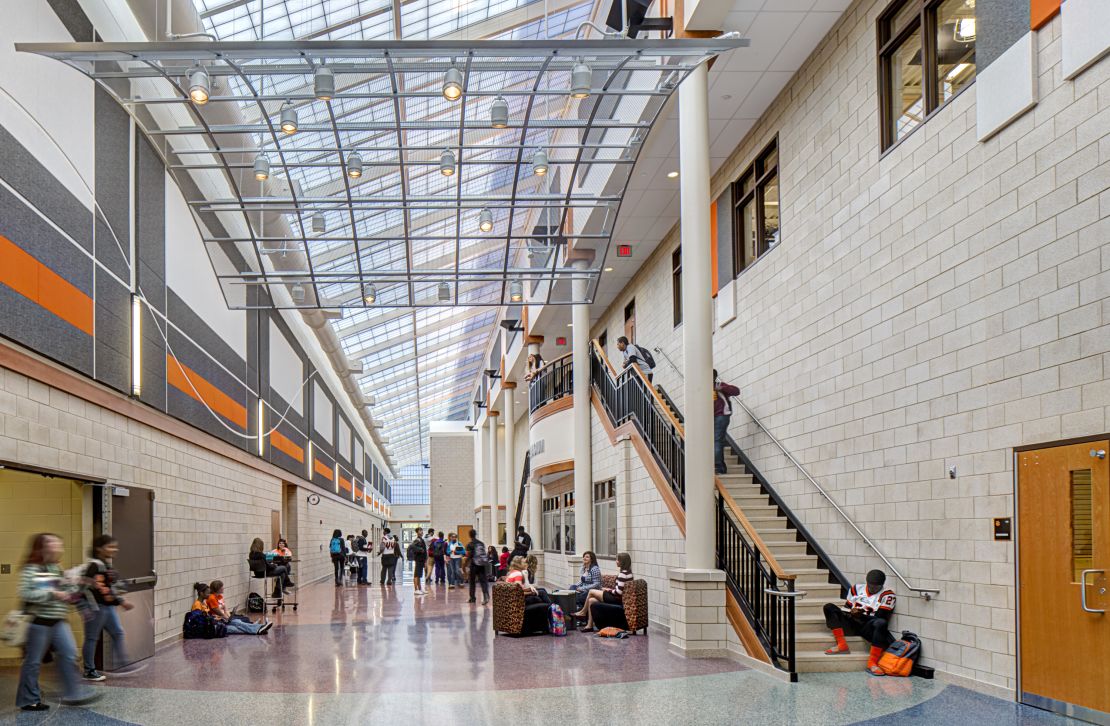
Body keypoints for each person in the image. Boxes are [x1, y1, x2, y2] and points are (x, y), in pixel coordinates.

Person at [16, 533, 100, 712]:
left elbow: (68, 594)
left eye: (58, 543)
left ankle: (72, 694)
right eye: (52, 543)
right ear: (42, 547)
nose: (57, 546)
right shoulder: (32, 569)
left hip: (58, 621)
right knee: (33, 662)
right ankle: (28, 699)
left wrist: (80, 583)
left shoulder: (56, 568)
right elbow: (26, 594)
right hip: (39, 622)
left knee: (69, 655)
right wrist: (52, 594)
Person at [81, 535, 135, 681]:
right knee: (92, 638)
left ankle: (123, 663)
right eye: (110, 546)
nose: (114, 549)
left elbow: (112, 585)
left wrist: (120, 596)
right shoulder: (95, 565)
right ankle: (89, 670)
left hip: (107, 607)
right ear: (99, 549)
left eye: (114, 546)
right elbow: (102, 589)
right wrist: (121, 602)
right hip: (96, 607)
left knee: (117, 632)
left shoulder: (106, 565)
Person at [823, 569, 897, 675]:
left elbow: (880, 618)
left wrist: (861, 616)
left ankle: (872, 663)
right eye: (870, 586)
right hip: (851, 622)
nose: (872, 589)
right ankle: (841, 644)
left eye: (876, 587)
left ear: (882, 585)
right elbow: (846, 608)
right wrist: (850, 613)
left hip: (867, 627)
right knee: (829, 607)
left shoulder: (887, 595)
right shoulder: (856, 589)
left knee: (881, 623)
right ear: (867, 582)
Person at [575, 552, 633, 633]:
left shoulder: (623, 574)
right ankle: (589, 625)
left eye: (617, 560)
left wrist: (608, 590)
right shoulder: (628, 573)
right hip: (617, 598)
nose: (616, 561)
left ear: (622, 562)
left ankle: (583, 612)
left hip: (616, 599)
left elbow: (618, 593)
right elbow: (620, 590)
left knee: (591, 591)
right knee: (591, 600)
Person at [199, 582, 271, 635]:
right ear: (201, 593)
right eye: (207, 593)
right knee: (237, 625)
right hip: (218, 623)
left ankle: (258, 628)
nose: (209, 595)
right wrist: (225, 617)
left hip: (219, 621)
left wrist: (227, 617)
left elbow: (220, 611)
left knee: (238, 623)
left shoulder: (207, 601)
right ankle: (258, 628)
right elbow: (215, 612)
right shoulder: (207, 600)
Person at [713, 369, 741, 475]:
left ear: (715, 377)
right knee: (714, 441)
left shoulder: (719, 385)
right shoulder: (702, 387)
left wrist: (721, 388)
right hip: (706, 418)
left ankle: (719, 468)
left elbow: (736, 391)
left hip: (721, 416)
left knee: (717, 440)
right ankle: (719, 467)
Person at [466, 529, 490, 605]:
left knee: (472, 582)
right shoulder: (481, 543)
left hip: (474, 565)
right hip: (482, 564)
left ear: (470, 535)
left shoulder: (470, 544)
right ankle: (486, 596)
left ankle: (472, 598)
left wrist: (465, 565)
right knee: (483, 581)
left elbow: (469, 556)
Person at [407, 527, 427, 596]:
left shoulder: (421, 539)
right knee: (416, 574)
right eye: (420, 530)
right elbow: (412, 546)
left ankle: (420, 589)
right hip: (418, 559)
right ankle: (416, 590)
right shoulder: (417, 540)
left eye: (422, 530)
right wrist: (420, 549)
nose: (421, 532)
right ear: (417, 532)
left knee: (419, 575)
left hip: (422, 559)